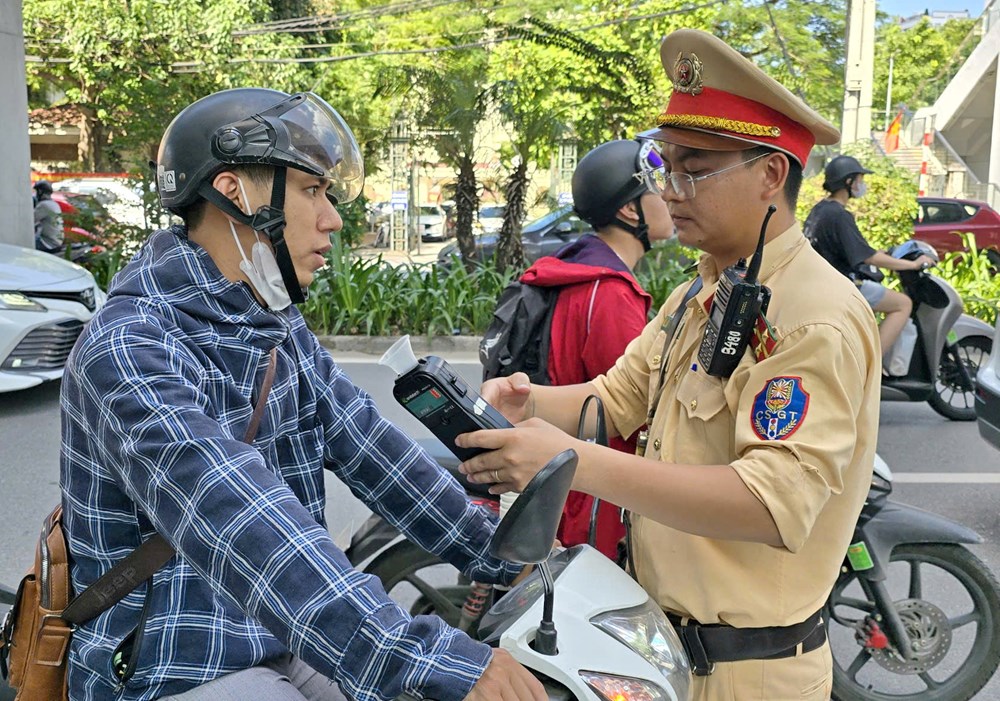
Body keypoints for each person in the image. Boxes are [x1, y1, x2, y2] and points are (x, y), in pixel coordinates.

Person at [59, 87, 545, 701]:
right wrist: (420, 654)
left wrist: (506, 556)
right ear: (238, 192)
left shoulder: (276, 325)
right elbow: (239, 516)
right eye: (311, 191)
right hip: (175, 656)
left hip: (280, 631)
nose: (333, 218)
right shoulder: (128, 348)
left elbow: (373, 448)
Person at [457, 28, 883, 701]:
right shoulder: (701, 291)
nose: (672, 189)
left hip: (750, 673)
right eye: (666, 167)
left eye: (695, 168)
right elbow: (615, 398)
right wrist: (529, 403)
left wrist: (567, 458)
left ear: (771, 174)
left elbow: (771, 505)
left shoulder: (813, 315)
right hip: (658, 650)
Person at [519, 139, 673, 559]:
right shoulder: (609, 293)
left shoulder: (575, 269)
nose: (670, 195)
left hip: (567, 477)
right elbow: (634, 407)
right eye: (657, 187)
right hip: (593, 498)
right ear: (629, 210)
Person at [805, 155, 935, 361]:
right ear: (848, 182)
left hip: (822, 284)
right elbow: (871, 259)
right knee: (903, 303)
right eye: (859, 179)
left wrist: (882, 253)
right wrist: (912, 264)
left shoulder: (821, 209)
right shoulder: (839, 215)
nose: (861, 184)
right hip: (842, 288)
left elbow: (853, 249)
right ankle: (871, 365)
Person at [33, 179, 64, 253]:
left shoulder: (44, 205)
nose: (35, 194)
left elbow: (30, 221)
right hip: (57, 241)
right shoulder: (54, 204)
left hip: (48, 242)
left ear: (40, 192)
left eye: (36, 192)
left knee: (24, 246)